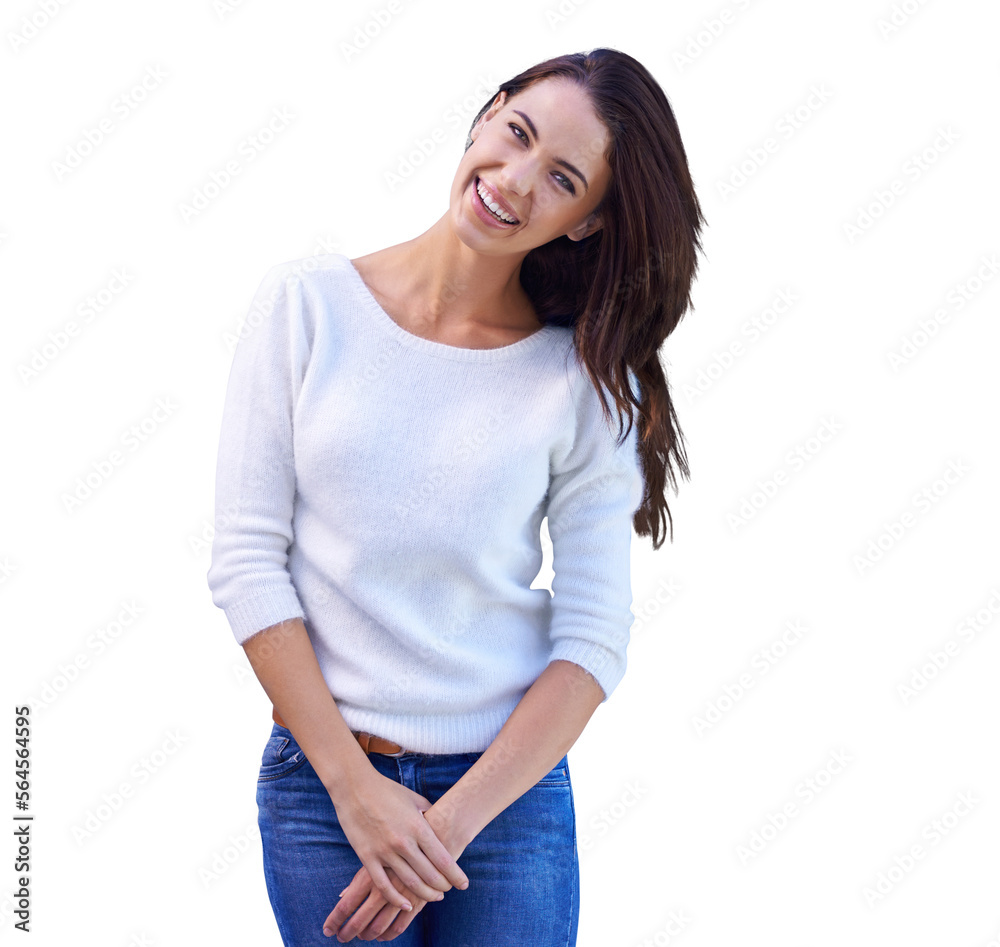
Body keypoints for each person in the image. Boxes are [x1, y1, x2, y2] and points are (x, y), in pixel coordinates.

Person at [206, 46, 704, 946]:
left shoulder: (583, 384)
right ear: (487, 114)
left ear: (588, 221)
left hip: (508, 804)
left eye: (560, 178)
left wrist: (446, 828)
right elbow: (247, 564)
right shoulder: (306, 307)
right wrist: (359, 796)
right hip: (326, 788)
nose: (513, 182)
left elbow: (593, 638)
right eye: (515, 135)